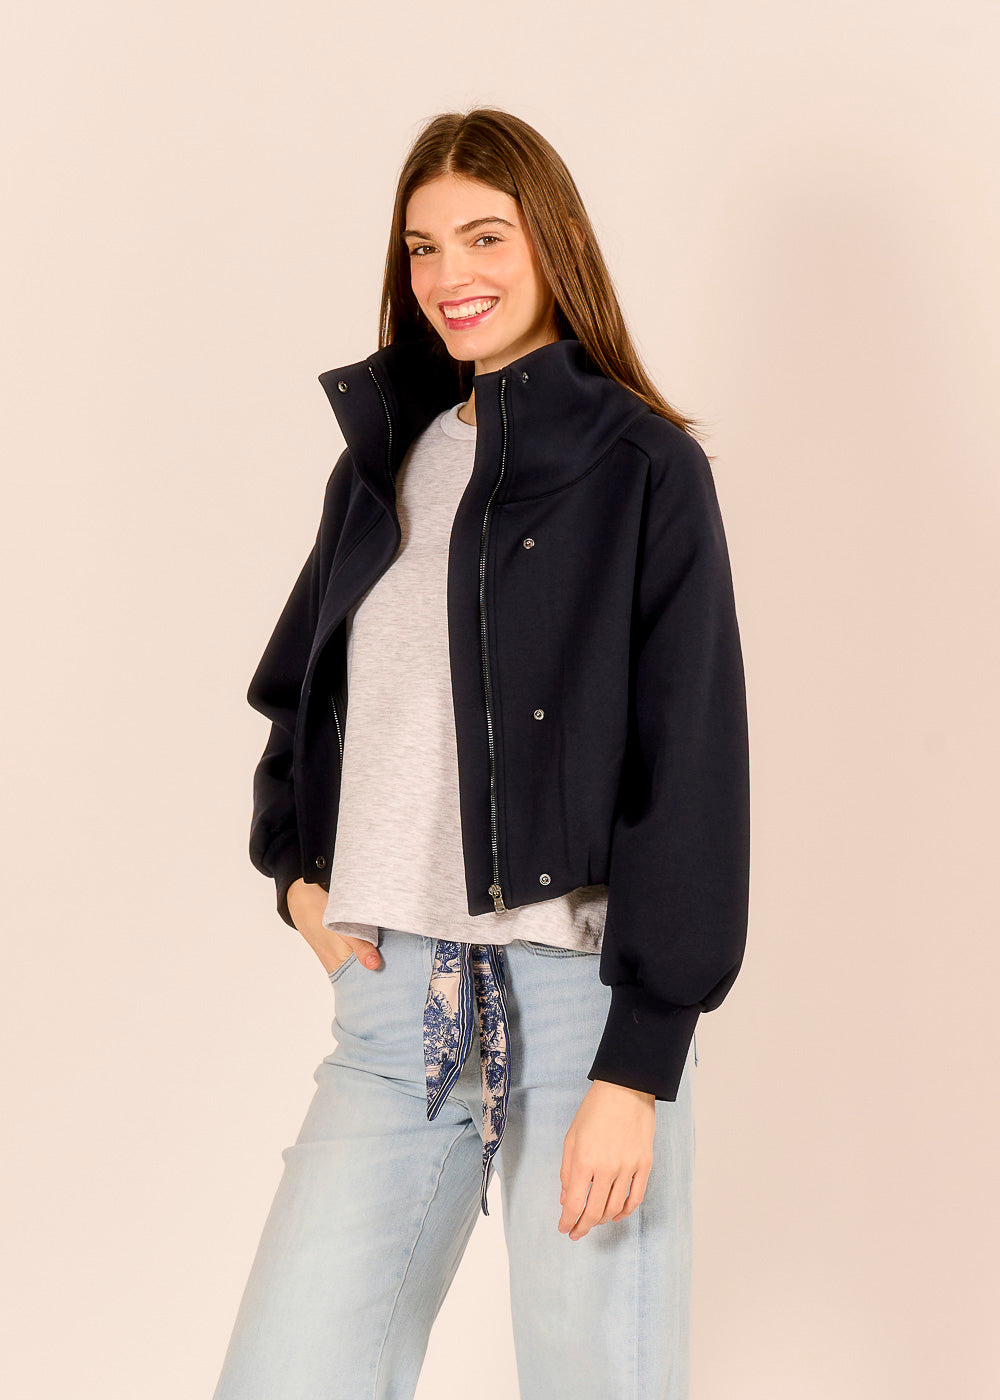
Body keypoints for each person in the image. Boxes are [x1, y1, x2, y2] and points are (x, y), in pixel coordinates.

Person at [212, 106, 750, 1400]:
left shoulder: (646, 470)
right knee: (285, 1377)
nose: (451, 274)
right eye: (423, 247)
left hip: (583, 1003)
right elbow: (301, 693)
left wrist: (639, 1065)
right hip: (392, 1005)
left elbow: (692, 772)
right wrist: (296, 875)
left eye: (485, 236)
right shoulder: (382, 466)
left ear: (552, 241)